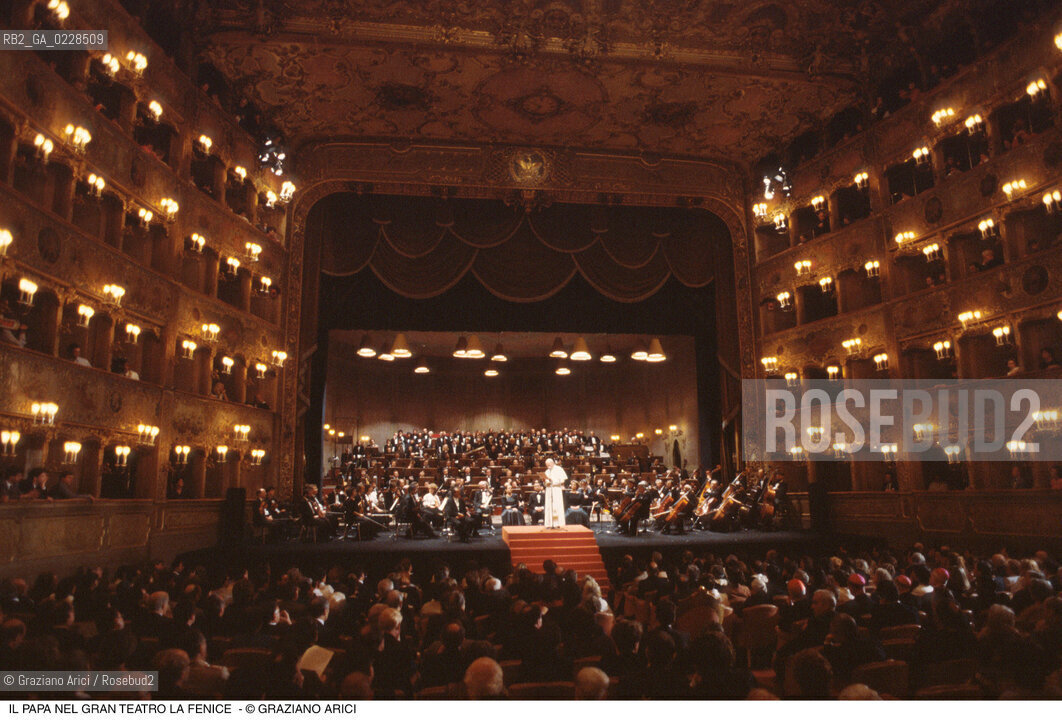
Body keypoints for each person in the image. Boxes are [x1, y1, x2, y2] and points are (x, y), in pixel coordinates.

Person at [542, 458, 567, 528]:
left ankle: (557, 523)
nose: (548, 466)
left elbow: (562, 481)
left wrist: (553, 481)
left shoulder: (559, 469)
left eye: (549, 465)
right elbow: (545, 482)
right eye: (546, 465)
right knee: (549, 506)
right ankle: (549, 523)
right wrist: (545, 481)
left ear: (552, 463)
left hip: (556, 489)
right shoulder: (547, 471)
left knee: (557, 506)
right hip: (549, 489)